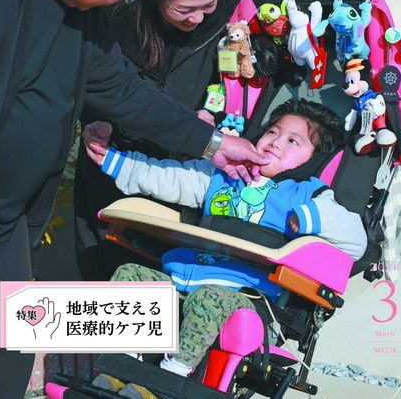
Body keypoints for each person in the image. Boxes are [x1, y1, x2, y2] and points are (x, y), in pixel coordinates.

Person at [0, 0, 266, 399]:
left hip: (5, 230)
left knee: (4, 374)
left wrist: (211, 143)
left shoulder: (79, 4)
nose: (121, 4)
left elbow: (119, 89)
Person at [86, 99, 367, 390]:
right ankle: (121, 364)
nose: (276, 142)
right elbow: (167, 178)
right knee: (130, 274)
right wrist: (115, 161)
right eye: (272, 132)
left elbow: (356, 242)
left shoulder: (306, 195)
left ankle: (170, 381)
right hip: (183, 281)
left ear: (313, 160)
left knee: (208, 299)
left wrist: (311, 217)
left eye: (293, 141)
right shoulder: (224, 175)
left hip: (247, 301)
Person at [75, 0, 246, 279]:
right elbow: (102, 88)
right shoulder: (117, 14)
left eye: (208, 5)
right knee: (111, 282)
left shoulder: (235, 10)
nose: (198, 18)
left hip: (190, 176)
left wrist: (216, 119)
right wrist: (95, 121)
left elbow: (247, 84)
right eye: (184, 9)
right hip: (118, 167)